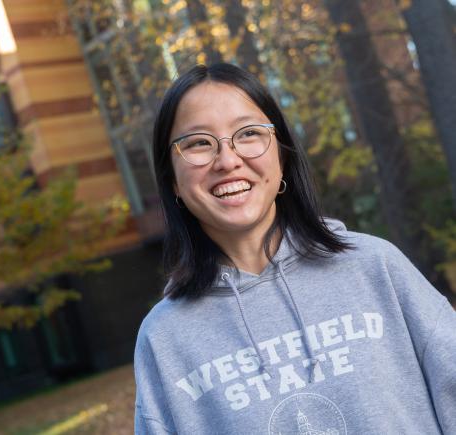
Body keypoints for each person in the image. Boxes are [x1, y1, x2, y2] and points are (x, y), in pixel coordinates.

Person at [133, 63, 456, 434]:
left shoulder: (376, 269)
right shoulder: (165, 339)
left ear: (281, 155)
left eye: (249, 133)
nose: (228, 160)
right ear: (172, 179)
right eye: (199, 143)